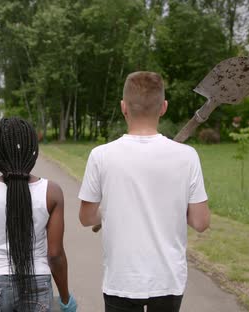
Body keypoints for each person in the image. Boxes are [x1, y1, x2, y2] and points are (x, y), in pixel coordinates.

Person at [78, 72, 210, 312]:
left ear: (123, 107)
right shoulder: (187, 157)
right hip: (168, 280)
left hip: (121, 278)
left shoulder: (101, 156)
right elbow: (201, 222)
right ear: (164, 107)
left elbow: (86, 218)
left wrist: (108, 210)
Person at [0, 118, 77, 312]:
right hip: (38, 283)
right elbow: (55, 255)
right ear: (33, 151)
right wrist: (66, 298)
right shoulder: (51, 192)